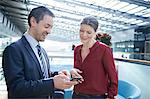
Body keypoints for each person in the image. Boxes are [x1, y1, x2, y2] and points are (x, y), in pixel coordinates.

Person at [2, 6, 77, 99]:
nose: (49, 31)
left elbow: (41, 75)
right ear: (33, 21)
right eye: (46, 26)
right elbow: (16, 88)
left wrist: (58, 74)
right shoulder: (13, 50)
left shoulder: (42, 51)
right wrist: (53, 83)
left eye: (51, 27)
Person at [70, 16, 118, 99]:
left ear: (95, 33)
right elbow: (77, 71)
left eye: (88, 32)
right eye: (81, 31)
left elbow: (113, 77)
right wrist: (72, 71)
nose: (84, 35)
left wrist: (110, 96)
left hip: (96, 96)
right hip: (77, 95)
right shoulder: (77, 49)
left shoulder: (104, 50)